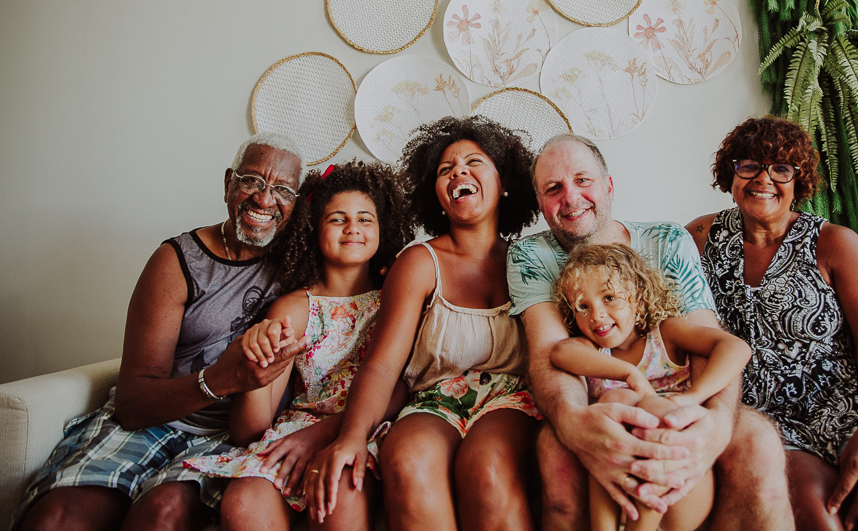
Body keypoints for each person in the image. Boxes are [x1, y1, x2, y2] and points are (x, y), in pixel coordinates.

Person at [14, 132, 309, 531]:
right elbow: (132, 404)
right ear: (228, 183)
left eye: (282, 190)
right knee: (57, 517)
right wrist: (220, 379)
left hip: (228, 438)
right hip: (154, 418)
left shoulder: (302, 265)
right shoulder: (177, 261)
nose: (263, 198)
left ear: (296, 204)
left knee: (162, 514)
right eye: (251, 181)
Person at [506, 133, 794, 531]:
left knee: (758, 442)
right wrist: (574, 423)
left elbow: (710, 343)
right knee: (559, 448)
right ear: (540, 202)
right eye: (553, 188)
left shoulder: (667, 240)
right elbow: (551, 352)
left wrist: (713, 421)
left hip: (678, 396)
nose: (570, 197)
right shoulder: (530, 255)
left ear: (608, 186)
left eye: (583, 180)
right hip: (597, 401)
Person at [686, 116, 858, 531]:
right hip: (772, 418)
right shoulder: (700, 238)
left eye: (781, 168)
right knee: (816, 515)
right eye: (749, 165)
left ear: (799, 180)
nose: (764, 179)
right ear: (730, 172)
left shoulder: (835, 244)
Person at [311, 116, 542, 531]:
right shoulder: (419, 263)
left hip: (510, 399)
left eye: (474, 161)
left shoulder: (531, 260)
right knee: (407, 457)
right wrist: (350, 436)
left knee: (487, 463)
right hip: (433, 399)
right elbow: (382, 366)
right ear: (436, 194)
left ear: (503, 181)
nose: (458, 172)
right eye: (445, 170)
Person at [183, 161, 414, 530]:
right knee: (244, 499)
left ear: (383, 228)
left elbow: (401, 388)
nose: (353, 227)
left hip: (369, 427)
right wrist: (255, 362)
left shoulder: (397, 297)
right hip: (295, 430)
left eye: (365, 219)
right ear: (313, 228)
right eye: (337, 218)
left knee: (337, 489)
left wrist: (322, 435)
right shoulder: (293, 309)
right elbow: (249, 431)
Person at [551, 243, 752, 531]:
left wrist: (691, 399)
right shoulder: (592, 350)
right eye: (583, 306)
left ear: (638, 295)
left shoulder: (666, 334)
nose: (596, 314)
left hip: (678, 490)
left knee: (645, 406)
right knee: (617, 399)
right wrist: (629, 373)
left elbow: (735, 347)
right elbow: (560, 352)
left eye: (609, 297)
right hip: (620, 488)